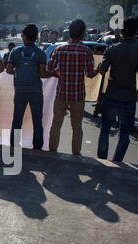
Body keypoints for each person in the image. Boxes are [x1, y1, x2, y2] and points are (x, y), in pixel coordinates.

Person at [97, 17, 138, 162]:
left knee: (105, 129)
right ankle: (117, 160)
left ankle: (102, 159)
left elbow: (102, 71)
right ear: (137, 32)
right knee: (124, 132)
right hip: (129, 95)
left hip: (112, 93)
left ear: (121, 32)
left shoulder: (112, 48)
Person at [47, 19, 98, 156]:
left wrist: (59, 75)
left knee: (56, 124)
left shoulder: (59, 49)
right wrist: (99, 70)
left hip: (61, 93)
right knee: (77, 127)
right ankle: (76, 153)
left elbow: (50, 68)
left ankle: (52, 150)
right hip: (78, 95)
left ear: (69, 33)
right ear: (82, 34)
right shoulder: (86, 51)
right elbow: (90, 74)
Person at [7, 24, 49, 150]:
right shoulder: (41, 53)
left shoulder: (15, 52)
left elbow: (9, 70)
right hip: (35, 90)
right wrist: (53, 74)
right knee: (37, 120)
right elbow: (42, 74)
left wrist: (18, 72)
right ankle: (37, 146)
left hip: (20, 90)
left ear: (23, 36)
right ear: (36, 37)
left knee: (17, 119)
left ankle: (14, 145)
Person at [92, 45, 106, 117]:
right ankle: (97, 111)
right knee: (101, 97)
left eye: (96, 52)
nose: (95, 53)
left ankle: (97, 111)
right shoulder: (96, 59)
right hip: (99, 81)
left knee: (102, 97)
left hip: (105, 82)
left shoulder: (106, 59)